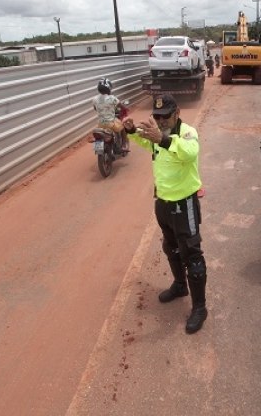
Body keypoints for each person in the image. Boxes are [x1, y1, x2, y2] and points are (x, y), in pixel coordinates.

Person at [122, 94, 208, 334]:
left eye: (165, 116)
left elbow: (190, 152)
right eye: (157, 117)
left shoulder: (187, 133)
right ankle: (180, 285)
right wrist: (131, 131)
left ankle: (200, 307)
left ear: (177, 113)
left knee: (192, 253)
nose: (160, 121)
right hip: (163, 202)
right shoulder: (158, 133)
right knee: (171, 247)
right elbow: (147, 142)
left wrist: (163, 139)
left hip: (184, 203)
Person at [90, 78, 128, 152]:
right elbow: (121, 106)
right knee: (122, 128)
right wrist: (125, 108)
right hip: (111, 123)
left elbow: (95, 109)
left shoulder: (94, 99)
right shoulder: (112, 98)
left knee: (98, 134)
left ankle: (98, 149)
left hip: (100, 124)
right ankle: (124, 144)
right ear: (109, 89)